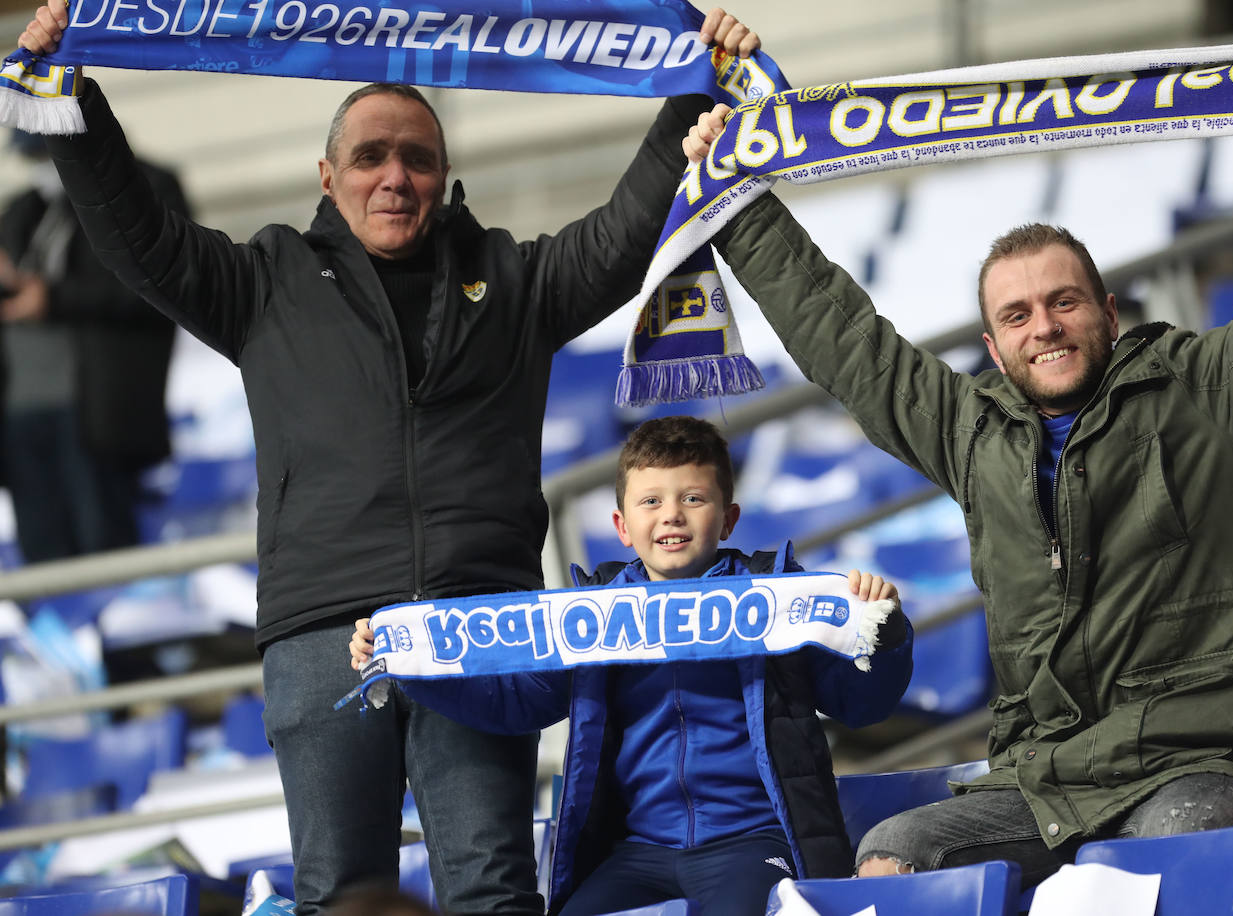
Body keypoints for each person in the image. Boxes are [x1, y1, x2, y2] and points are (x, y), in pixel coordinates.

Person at [16, 4, 761, 913]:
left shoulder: (515, 282)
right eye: (370, 157)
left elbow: (620, 233)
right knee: (341, 900)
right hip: (321, 638)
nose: (394, 176)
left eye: (416, 158)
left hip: (481, 632)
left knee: (493, 891)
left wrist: (693, 79)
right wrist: (72, 99)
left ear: (446, 176)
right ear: (327, 177)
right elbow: (136, 234)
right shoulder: (261, 282)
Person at [681, 25, 1233, 888]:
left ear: (1109, 313)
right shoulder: (969, 433)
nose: (1043, 326)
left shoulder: (1211, 390)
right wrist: (738, 208)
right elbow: (846, 341)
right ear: (993, 343)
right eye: (1017, 316)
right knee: (895, 857)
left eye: (1064, 302)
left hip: (1206, 765)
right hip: (1045, 777)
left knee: (1149, 861)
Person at [350, 415, 915, 916]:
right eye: (650, 502)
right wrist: (409, 665)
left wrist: (883, 630)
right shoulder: (590, 616)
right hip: (638, 853)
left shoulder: (779, 596)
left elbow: (863, 705)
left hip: (753, 842)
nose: (671, 514)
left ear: (728, 518)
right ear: (622, 526)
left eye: (693, 498)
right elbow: (517, 702)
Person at [0, 129, 185, 563]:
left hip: (97, 411)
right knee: (43, 555)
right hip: (21, 412)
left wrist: (55, 298)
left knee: (106, 548)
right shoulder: (23, 211)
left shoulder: (144, 187)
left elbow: (157, 285)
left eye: (45, 154)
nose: (41, 168)